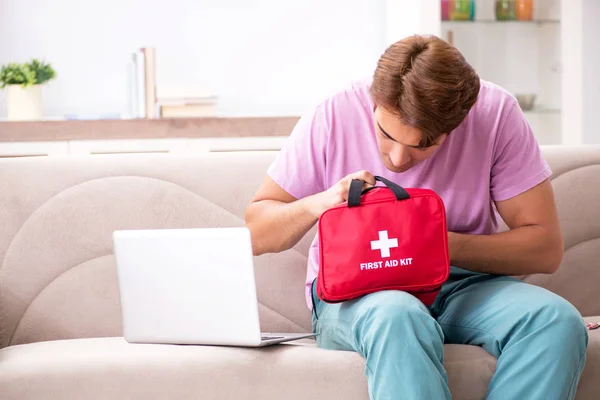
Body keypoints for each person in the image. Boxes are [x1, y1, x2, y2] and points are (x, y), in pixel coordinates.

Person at [244, 34, 588, 399]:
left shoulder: (495, 113)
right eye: (386, 134)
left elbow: (544, 249)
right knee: (399, 315)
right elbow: (256, 230)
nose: (396, 160)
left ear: (457, 124)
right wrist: (322, 202)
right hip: (359, 294)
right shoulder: (333, 112)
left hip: (463, 286)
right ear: (373, 101)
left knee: (555, 322)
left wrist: (427, 243)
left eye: (423, 145)